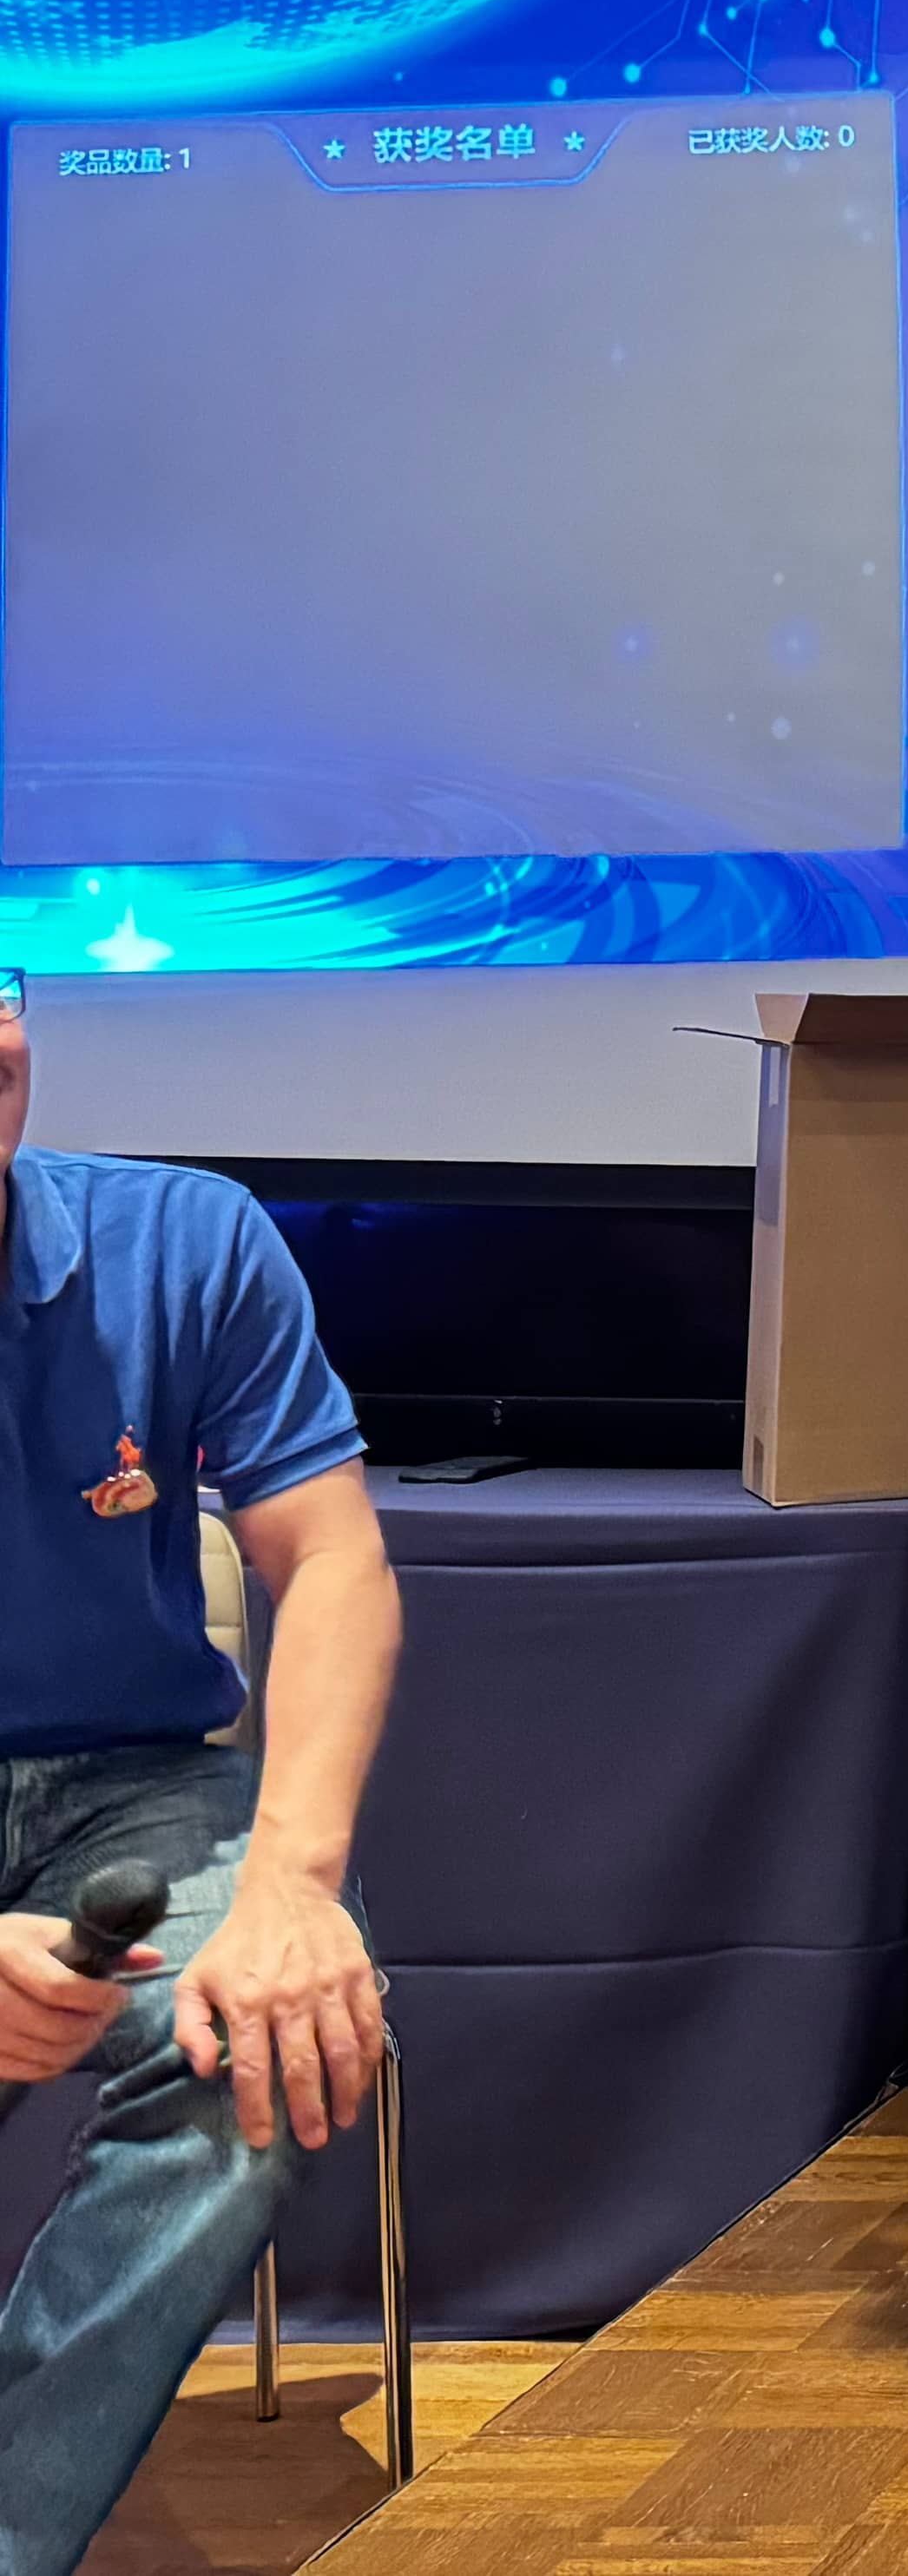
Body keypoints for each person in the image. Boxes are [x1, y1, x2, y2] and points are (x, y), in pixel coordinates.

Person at [0, 974, 402, 2576]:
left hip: (136, 1788)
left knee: (266, 2035)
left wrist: (295, 1883)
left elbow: (334, 1559)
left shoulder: (183, 1241)